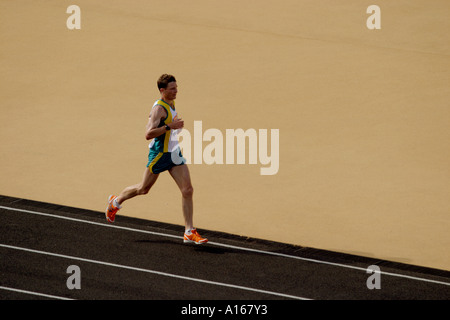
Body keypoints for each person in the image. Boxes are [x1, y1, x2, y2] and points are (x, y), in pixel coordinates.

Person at [105, 74, 208, 244]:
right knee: (143, 189)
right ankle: (115, 202)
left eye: (176, 87)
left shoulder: (170, 102)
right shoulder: (158, 109)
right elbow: (148, 134)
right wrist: (170, 126)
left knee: (187, 190)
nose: (176, 91)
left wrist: (173, 128)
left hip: (173, 152)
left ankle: (189, 231)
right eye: (172, 89)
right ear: (162, 91)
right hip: (160, 154)